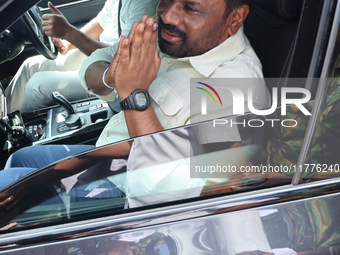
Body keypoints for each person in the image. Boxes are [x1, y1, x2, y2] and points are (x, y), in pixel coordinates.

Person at [2, 0, 270, 195]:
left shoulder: (234, 89)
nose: (169, 16)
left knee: (7, 187)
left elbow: (175, 190)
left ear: (235, 19)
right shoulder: (171, 36)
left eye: (190, 7)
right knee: (20, 159)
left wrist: (133, 95)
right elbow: (97, 61)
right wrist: (112, 76)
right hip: (111, 154)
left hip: (130, 193)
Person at [4, 0, 159, 113]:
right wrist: (68, 43)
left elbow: (124, 60)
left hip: (114, 73)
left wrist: (69, 32)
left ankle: (14, 143)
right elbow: (100, 23)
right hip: (102, 54)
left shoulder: (145, 4)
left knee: (36, 86)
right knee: (31, 66)